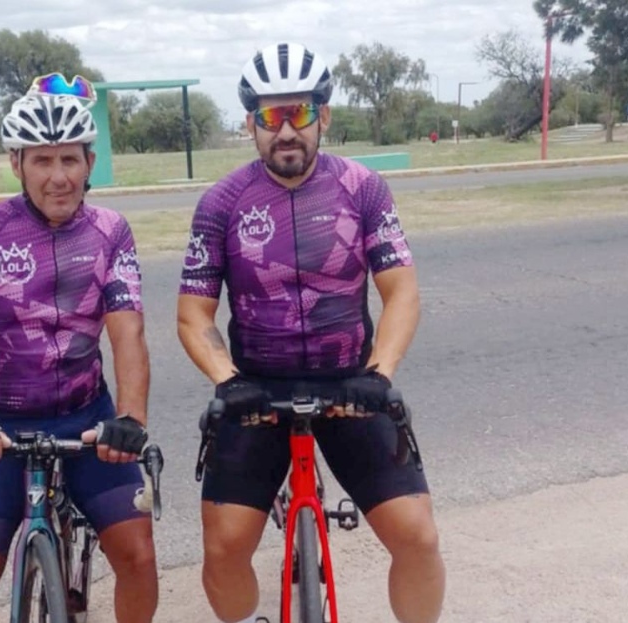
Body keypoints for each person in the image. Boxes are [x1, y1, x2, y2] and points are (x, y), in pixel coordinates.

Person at [177, 43, 446, 623]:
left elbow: (401, 292)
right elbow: (193, 316)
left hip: (352, 386)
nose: (285, 131)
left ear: (322, 116)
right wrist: (226, 381)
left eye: (298, 113)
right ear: (251, 124)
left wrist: (381, 374)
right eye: (270, 117)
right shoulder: (220, 204)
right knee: (223, 549)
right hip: (254, 391)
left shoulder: (363, 188)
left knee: (418, 538)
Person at [0, 73, 157, 623]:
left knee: (139, 557)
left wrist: (131, 419)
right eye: (42, 161)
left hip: (88, 422)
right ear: (16, 163)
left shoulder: (110, 231)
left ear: (89, 164)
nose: (58, 177)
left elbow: (127, 333)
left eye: (70, 160)